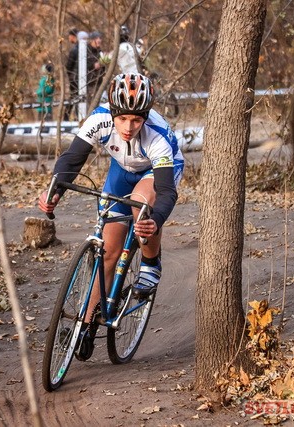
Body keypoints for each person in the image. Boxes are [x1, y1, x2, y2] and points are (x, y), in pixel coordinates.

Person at [38, 73, 184, 342]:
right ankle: (85, 325)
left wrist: (157, 218)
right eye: (123, 118)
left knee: (141, 207)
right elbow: (72, 160)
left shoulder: (158, 136)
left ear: (146, 116)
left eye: (137, 119)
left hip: (157, 171)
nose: (129, 126)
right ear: (112, 112)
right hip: (122, 169)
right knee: (108, 252)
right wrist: (55, 192)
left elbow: (165, 192)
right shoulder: (98, 119)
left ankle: (151, 263)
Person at [64, 29, 83, 121]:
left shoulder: (75, 49)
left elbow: (69, 66)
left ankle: (68, 118)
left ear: (73, 36)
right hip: (81, 78)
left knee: (74, 98)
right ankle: (74, 117)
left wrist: (70, 76)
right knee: (77, 98)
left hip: (75, 79)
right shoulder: (84, 48)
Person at [86, 31, 105, 104]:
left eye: (100, 38)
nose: (99, 40)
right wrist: (93, 66)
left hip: (99, 83)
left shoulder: (100, 51)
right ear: (92, 40)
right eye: (97, 38)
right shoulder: (86, 51)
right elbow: (82, 66)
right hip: (89, 83)